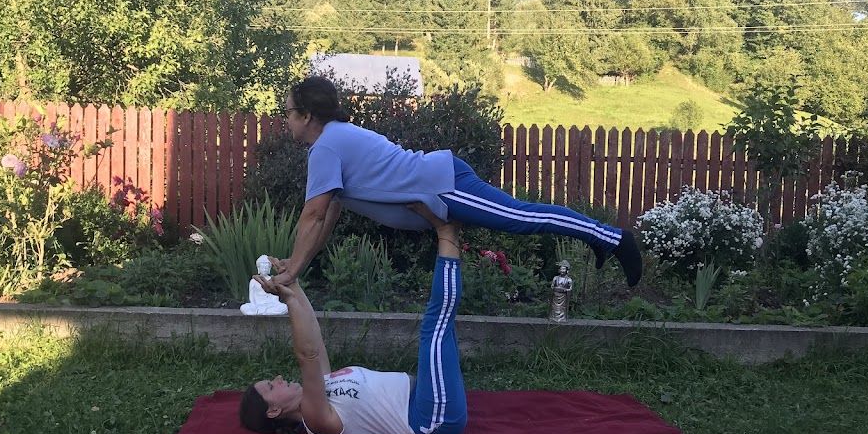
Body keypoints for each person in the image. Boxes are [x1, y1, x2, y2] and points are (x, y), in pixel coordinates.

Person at [269, 75, 643, 289]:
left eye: (288, 112)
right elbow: (328, 214)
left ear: (307, 115)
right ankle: (600, 237)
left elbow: (313, 215)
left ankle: (613, 238)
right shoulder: (333, 141)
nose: (286, 119)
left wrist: (294, 271)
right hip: (441, 182)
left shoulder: (327, 145)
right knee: (521, 217)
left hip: (445, 185)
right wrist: (296, 262)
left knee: (521, 217)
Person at [239, 204, 466, 434]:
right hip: (430, 419)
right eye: (271, 387)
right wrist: (288, 301)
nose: (278, 378)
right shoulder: (315, 419)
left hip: (424, 395)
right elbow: (308, 355)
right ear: (273, 411)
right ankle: (447, 231)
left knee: (442, 326)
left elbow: (315, 339)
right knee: (435, 327)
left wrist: (292, 282)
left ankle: (449, 228)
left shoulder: (322, 387)